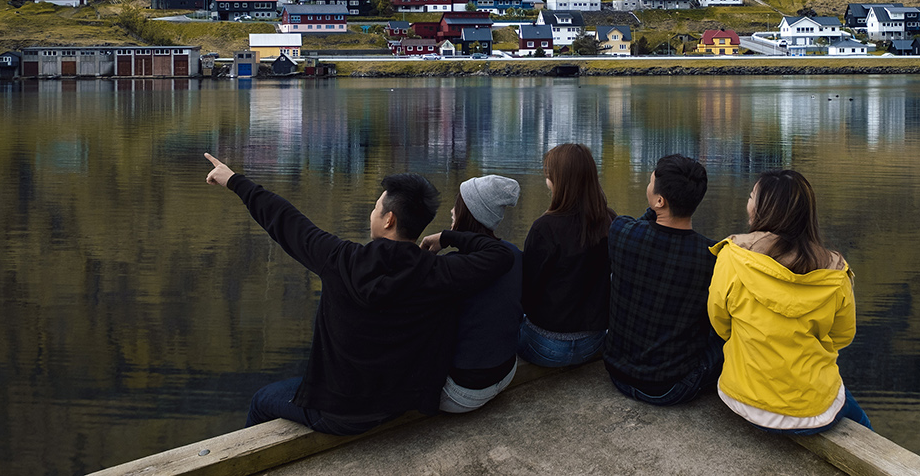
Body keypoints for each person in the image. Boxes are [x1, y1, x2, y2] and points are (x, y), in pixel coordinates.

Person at [204, 153, 514, 434]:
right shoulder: (438, 272)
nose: (373, 213)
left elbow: (285, 220)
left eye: (377, 208)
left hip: (339, 412)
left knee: (261, 400)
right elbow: (499, 255)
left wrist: (234, 180)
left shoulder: (340, 260)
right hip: (401, 405)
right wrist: (446, 236)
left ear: (388, 220)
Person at [708, 169, 872, 434]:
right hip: (811, 410)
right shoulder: (835, 274)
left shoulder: (733, 258)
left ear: (764, 210)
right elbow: (842, 336)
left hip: (743, 397)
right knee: (862, 424)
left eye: (751, 197)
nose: (747, 203)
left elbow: (720, 322)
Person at [605, 154, 723, 405]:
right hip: (671, 388)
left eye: (650, 183)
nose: (648, 186)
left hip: (616, 372)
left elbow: (642, 226)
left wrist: (657, 208)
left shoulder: (621, 232)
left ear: (659, 200)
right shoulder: (713, 257)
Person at [420, 174, 523, 413]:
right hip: (507, 372)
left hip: (463, 392)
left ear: (469, 213)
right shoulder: (515, 254)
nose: (452, 212)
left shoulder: (454, 266)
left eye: (457, 206)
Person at [517, 142, 616, 366]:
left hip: (546, 346)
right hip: (594, 341)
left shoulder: (545, 228)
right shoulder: (609, 221)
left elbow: (527, 288)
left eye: (548, 175)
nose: (546, 181)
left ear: (559, 181)